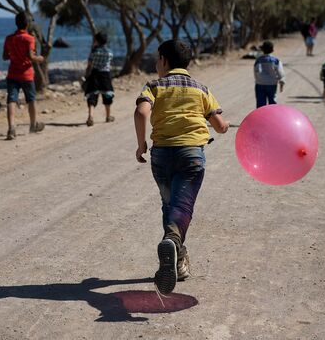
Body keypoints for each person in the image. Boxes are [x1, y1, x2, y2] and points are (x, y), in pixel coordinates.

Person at [134, 39, 229, 295]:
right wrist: (224, 124)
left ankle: (177, 257)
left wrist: (141, 144)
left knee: (170, 205)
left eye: (156, 59)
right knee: (182, 205)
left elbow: (141, 113)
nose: (156, 64)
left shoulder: (154, 86)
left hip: (162, 154)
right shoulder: (201, 88)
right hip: (191, 155)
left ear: (164, 60)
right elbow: (220, 126)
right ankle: (174, 245)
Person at [3, 11, 45, 140]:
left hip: (12, 74)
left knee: (11, 100)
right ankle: (33, 125)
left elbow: (5, 56)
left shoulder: (9, 38)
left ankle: (11, 128)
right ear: (27, 24)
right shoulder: (30, 38)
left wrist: (15, 54)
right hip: (26, 75)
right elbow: (31, 56)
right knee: (31, 99)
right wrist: (40, 58)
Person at [84, 32, 115, 126]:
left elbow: (89, 65)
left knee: (92, 96)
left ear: (97, 41)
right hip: (106, 75)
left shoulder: (94, 52)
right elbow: (109, 64)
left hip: (94, 74)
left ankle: (90, 116)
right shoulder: (110, 53)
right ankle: (108, 116)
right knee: (107, 95)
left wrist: (86, 74)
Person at [253, 40, 286, 108]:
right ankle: (272, 116)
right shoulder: (276, 61)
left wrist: (259, 80)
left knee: (260, 104)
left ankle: (260, 117)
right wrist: (281, 83)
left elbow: (256, 72)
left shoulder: (258, 60)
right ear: (272, 50)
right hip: (272, 84)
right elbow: (281, 73)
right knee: (272, 102)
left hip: (260, 84)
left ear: (262, 50)